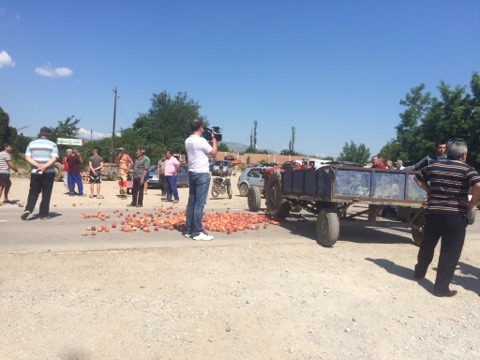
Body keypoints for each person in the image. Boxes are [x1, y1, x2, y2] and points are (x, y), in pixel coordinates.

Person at [413, 140, 480, 297]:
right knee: (450, 251)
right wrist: (471, 204)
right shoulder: (467, 169)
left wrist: (429, 191)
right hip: (455, 215)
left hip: (433, 213)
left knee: (427, 244)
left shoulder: (434, 166)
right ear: (463, 155)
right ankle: (441, 288)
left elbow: (417, 178)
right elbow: (478, 186)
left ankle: (419, 272)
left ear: (448, 152)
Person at [184, 118, 217, 241]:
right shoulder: (201, 140)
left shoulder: (187, 140)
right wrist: (214, 140)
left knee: (191, 202)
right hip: (202, 173)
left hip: (192, 172)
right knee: (199, 204)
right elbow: (213, 153)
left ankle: (188, 229)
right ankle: (197, 232)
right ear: (200, 128)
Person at [21, 127, 59, 220]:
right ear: (49, 135)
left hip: (35, 171)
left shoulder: (31, 144)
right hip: (48, 172)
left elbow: (27, 157)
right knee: (46, 193)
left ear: (39, 134)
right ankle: (43, 215)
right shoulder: (53, 145)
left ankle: (28, 209)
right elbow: (54, 158)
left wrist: (38, 166)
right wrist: (44, 167)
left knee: (33, 191)